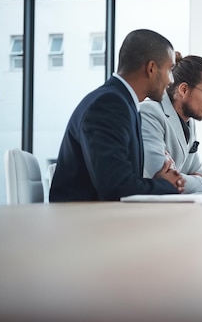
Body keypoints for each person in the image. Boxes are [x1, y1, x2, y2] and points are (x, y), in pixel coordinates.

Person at [50, 29, 184, 202]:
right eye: (169, 70)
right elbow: (116, 187)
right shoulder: (109, 105)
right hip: (83, 223)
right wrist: (166, 186)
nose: (171, 80)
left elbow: (118, 180)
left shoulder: (121, 102)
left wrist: (157, 182)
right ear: (151, 68)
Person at [140, 53, 202, 193]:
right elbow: (159, 176)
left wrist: (199, 181)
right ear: (184, 90)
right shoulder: (150, 112)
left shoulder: (189, 122)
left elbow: (196, 172)